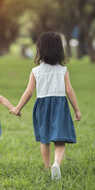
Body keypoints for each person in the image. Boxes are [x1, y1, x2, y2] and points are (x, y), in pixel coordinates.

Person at [10, 32, 81, 179]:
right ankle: (57, 164)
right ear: (59, 50)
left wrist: (18, 107)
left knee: (45, 139)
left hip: (42, 107)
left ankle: (47, 166)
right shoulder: (63, 70)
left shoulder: (36, 71)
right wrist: (77, 110)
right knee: (60, 140)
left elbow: (28, 92)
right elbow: (69, 91)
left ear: (40, 50)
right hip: (60, 106)